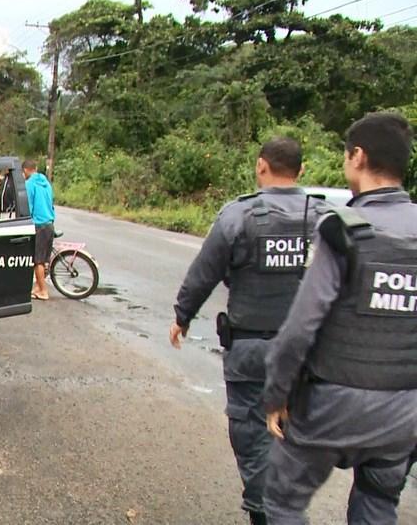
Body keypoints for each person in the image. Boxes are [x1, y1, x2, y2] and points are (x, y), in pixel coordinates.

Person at [262, 113, 417, 524]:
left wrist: (277, 395)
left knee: (282, 502)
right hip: (403, 413)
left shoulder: (344, 229)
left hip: (331, 407)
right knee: (379, 502)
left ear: (358, 157)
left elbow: (299, 329)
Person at [169, 138, 323, 525]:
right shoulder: (326, 219)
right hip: (310, 353)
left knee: (254, 439)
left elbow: (204, 272)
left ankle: (269, 513)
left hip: (252, 349)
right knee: (299, 437)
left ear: (260, 167)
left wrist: (182, 316)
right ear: (301, 171)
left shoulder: (239, 216)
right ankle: (286, 507)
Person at [24, 159, 55, 301]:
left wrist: (25, 221)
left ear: (25, 170)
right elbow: (51, 202)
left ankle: (43, 291)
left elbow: (28, 206)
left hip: (38, 224)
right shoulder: (46, 183)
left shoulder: (29, 184)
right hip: (49, 222)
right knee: (43, 258)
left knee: (38, 260)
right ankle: (37, 287)